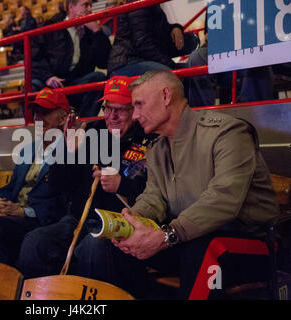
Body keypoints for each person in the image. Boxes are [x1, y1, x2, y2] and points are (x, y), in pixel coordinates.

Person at [76, 69, 280, 299]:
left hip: (249, 243)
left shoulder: (228, 132)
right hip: (187, 238)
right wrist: (131, 221)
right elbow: (154, 198)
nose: (135, 115)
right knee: (115, 248)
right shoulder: (157, 148)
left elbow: (223, 199)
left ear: (165, 96)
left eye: (140, 104)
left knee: (203, 249)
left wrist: (167, 235)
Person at [17, 76, 155, 278]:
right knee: (34, 243)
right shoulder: (92, 130)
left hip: (121, 223)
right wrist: (68, 150)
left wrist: (121, 184)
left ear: (134, 109)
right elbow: (58, 183)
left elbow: (157, 192)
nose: (112, 116)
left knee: (93, 247)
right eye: (108, 108)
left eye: (121, 109)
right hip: (78, 221)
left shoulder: (147, 137)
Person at [0, 88, 70, 270]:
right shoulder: (27, 149)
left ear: (63, 119)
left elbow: (64, 201)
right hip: (14, 216)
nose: (39, 119)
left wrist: (24, 212)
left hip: (39, 222)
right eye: (37, 113)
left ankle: (5, 282)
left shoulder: (71, 151)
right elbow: (13, 186)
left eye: (45, 113)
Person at [31, 0, 111, 117]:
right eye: (85, 5)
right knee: (31, 86)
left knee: (99, 78)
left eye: (91, 5)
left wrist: (97, 32)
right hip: (52, 83)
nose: (89, 9)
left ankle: (82, 126)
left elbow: (104, 63)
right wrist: (48, 77)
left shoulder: (91, 31)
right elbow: (35, 57)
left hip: (75, 82)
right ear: (71, 7)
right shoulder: (51, 26)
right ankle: (36, 131)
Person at [107, 1, 199, 77]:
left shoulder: (152, 4)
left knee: (192, 67)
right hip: (126, 63)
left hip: (140, 59)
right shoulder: (140, 3)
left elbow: (159, 31)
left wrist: (175, 28)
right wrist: (171, 65)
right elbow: (144, 44)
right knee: (176, 75)